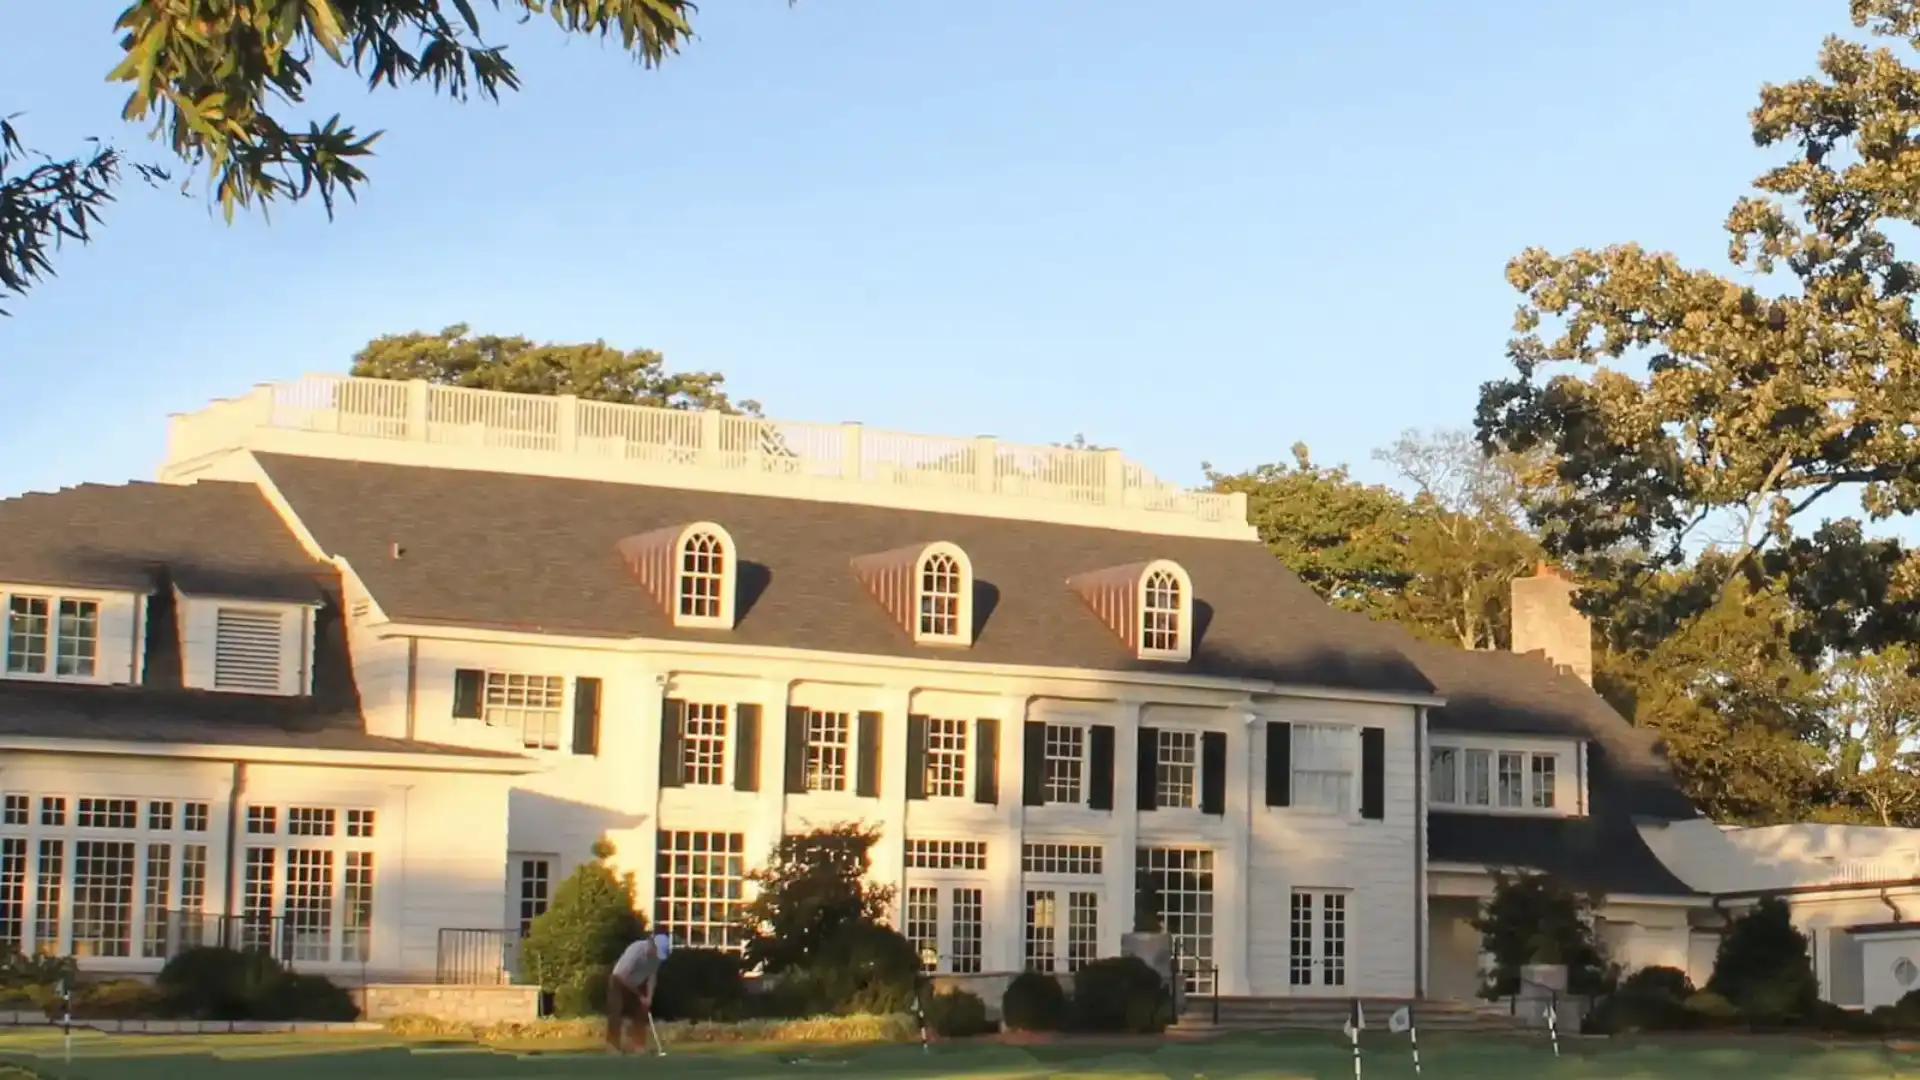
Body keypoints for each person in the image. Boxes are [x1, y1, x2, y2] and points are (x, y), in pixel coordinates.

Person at [605, 929, 672, 1053]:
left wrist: (649, 997)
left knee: (641, 1012)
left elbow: (652, 976)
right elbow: (621, 976)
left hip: (637, 982)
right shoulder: (636, 950)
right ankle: (612, 1045)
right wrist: (640, 995)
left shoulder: (656, 957)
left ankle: (638, 1045)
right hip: (618, 981)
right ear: (652, 943)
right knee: (616, 1011)